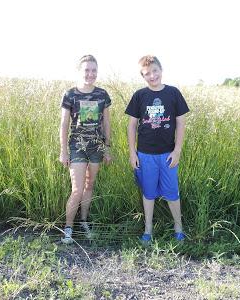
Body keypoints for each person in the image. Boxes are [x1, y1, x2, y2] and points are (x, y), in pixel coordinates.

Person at [125, 55, 189, 243]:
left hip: (168, 154)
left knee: (172, 192)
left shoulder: (173, 93)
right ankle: (148, 230)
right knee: (148, 193)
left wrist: (177, 150)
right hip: (145, 155)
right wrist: (132, 152)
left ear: (161, 70)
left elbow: (181, 123)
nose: (152, 76)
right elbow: (131, 126)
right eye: (147, 74)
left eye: (154, 71)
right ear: (142, 76)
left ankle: (178, 227)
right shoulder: (139, 95)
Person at [59, 54, 112, 244]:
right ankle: (68, 228)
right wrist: (63, 151)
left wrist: (107, 147)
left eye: (94, 70)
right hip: (77, 147)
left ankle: (83, 222)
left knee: (90, 186)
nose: (90, 74)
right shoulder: (70, 94)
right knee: (77, 189)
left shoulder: (102, 94)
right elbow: (64, 124)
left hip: (96, 146)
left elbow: (106, 122)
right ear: (80, 71)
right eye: (87, 70)